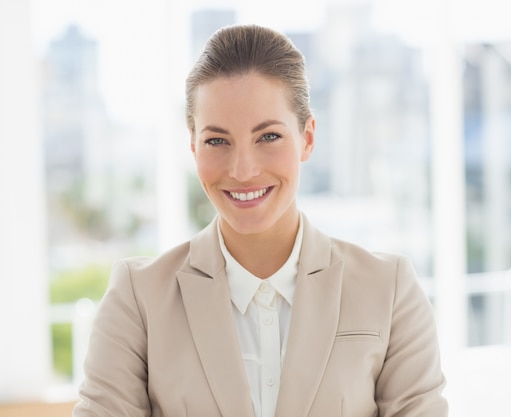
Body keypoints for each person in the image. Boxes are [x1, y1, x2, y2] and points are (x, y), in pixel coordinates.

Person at [73, 24, 448, 417]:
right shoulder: (139, 298)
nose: (243, 170)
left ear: (307, 138)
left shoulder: (389, 290)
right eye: (217, 141)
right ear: (193, 146)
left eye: (268, 136)